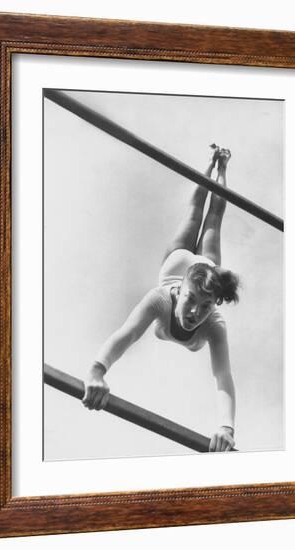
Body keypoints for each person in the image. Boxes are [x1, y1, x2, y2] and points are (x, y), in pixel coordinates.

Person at [82, 145, 240, 452]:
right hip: (179, 264)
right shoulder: (160, 299)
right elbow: (126, 334)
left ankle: (223, 169)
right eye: (191, 300)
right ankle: (209, 165)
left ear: (215, 305)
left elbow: (223, 377)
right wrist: (97, 371)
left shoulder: (214, 325)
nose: (196, 312)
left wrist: (226, 427)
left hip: (205, 274)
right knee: (197, 212)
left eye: (206, 306)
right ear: (179, 292)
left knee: (216, 216)